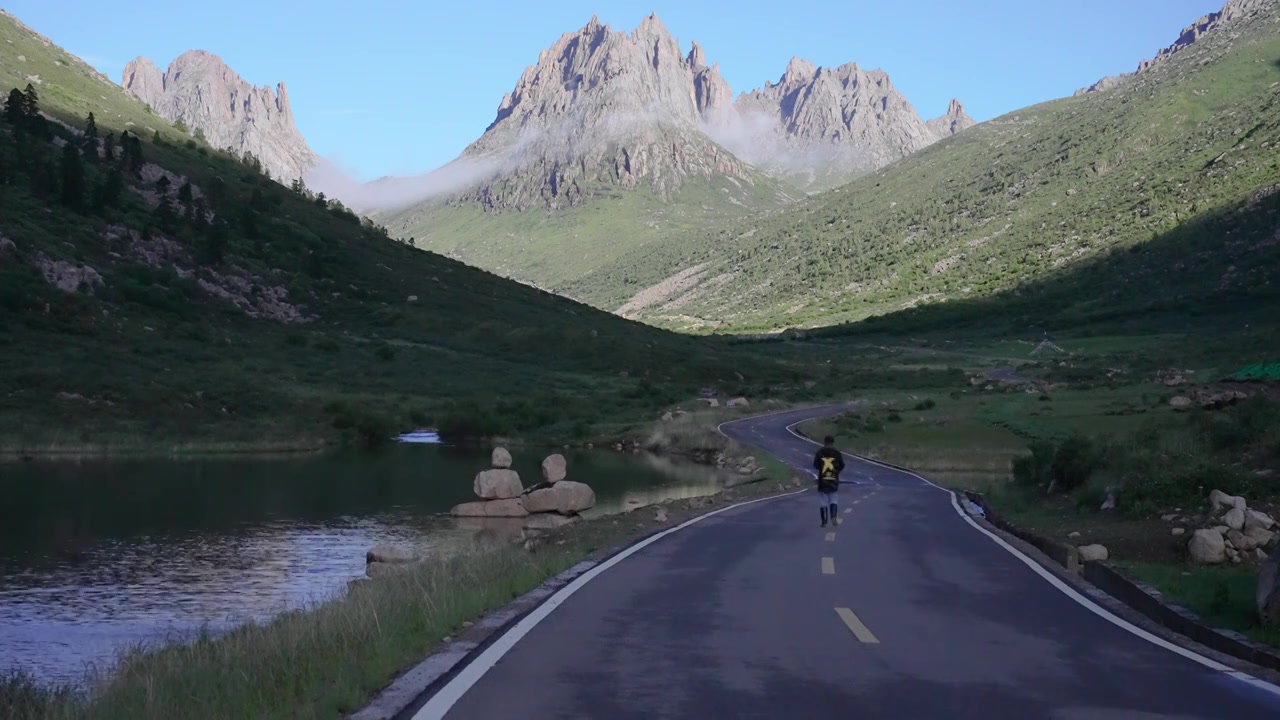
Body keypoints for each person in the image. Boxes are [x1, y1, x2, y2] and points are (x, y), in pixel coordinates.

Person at [813, 436, 844, 527]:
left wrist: (822, 469)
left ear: (825, 442)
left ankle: (824, 521)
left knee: (823, 501)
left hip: (822, 479)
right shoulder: (837, 453)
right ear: (833, 442)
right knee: (833, 499)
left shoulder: (820, 452)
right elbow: (842, 465)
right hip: (833, 479)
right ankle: (833, 517)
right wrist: (836, 471)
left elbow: (815, 464)